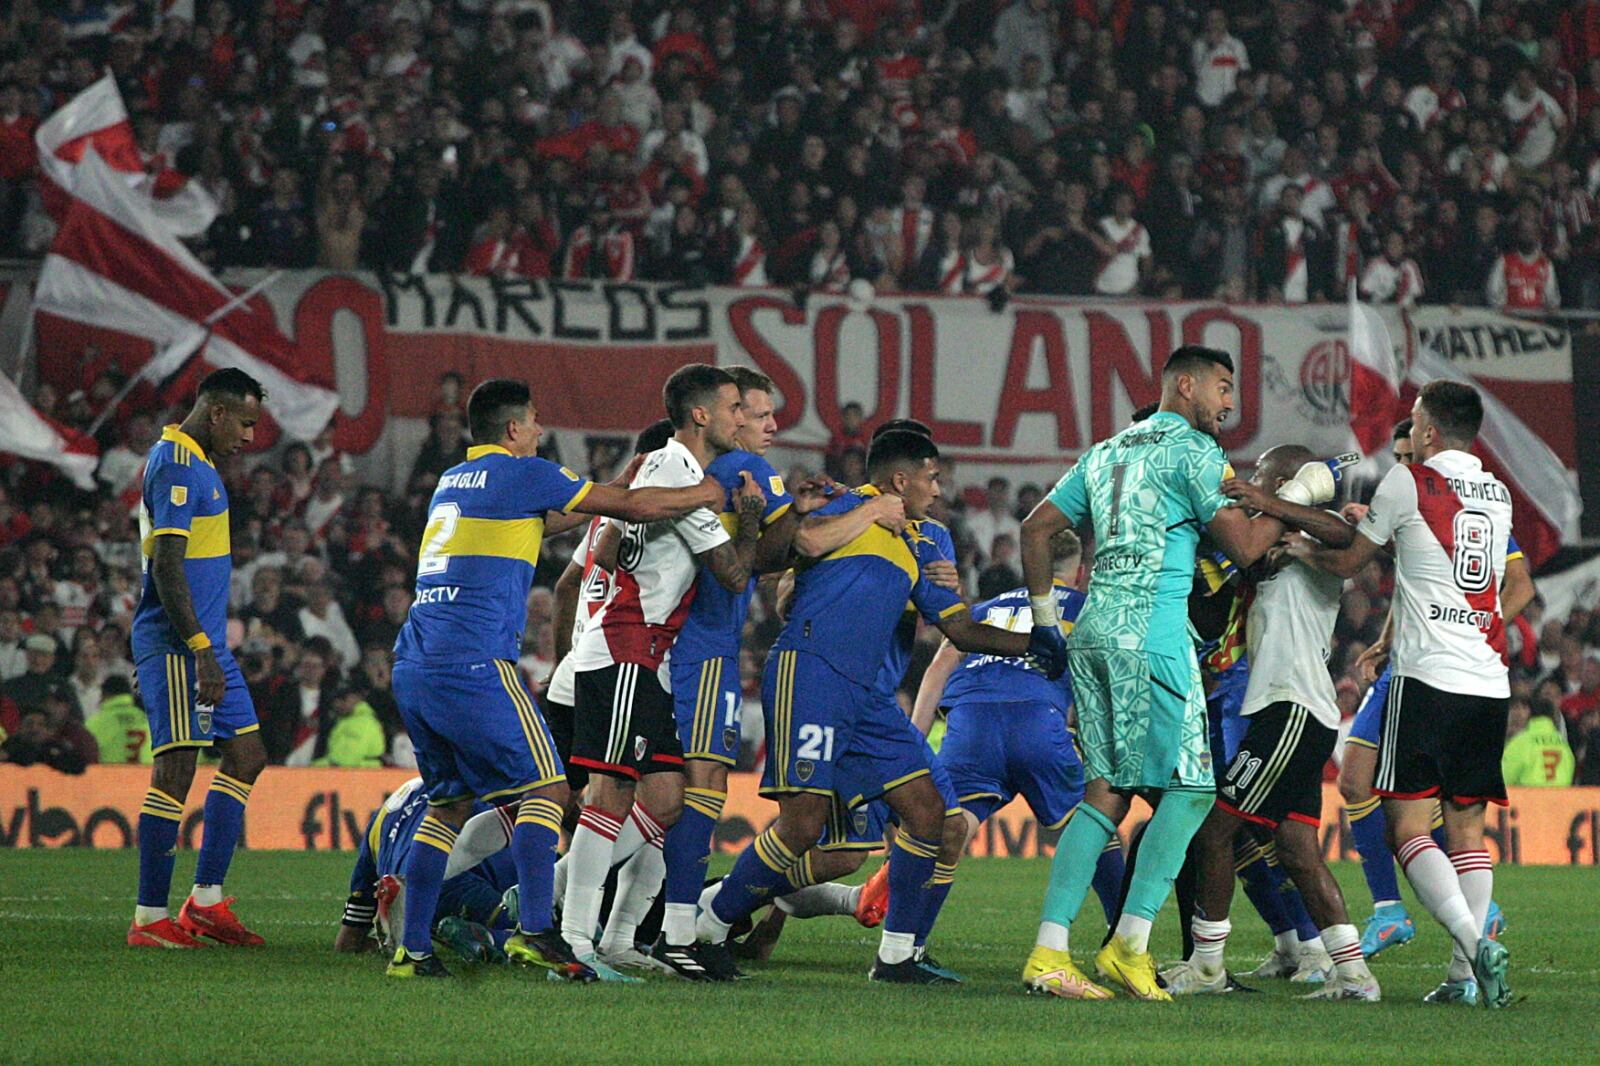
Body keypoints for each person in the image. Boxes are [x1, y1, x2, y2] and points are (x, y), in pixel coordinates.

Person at [1017, 345, 1351, 1000]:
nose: (1229, 404)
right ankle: (1129, 945)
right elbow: (1251, 548)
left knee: (1107, 793)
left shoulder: (1108, 451)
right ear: (1187, 385)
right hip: (1154, 635)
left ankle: (1050, 952)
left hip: (1094, 633)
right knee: (1196, 794)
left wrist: (1041, 620)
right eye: (1223, 389)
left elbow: (1036, 529)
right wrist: (1296, 494)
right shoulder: (1194, 451)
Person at [694, 430, 1068, 984]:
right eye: (932, 477)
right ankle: (708, 923)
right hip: (811, 671)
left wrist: (1039, 644)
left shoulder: (929, 537)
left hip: (868, 695)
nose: (939, 490)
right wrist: (864, 513)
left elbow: (959, 628)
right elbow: (788, 559)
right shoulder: (841, 504)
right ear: (901, 479)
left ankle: (896, 957)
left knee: (928, 813)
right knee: (802, 825)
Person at [386, 377, 722, 980]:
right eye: (535, 421)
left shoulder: (455, 481)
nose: (541, 431)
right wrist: (707, 489)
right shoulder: (525, 471)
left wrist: (617, 484)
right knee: (548, 790)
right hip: (474, 662)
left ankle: (412, 951)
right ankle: (537, 931)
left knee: (448, 806)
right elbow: (640, 509)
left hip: (414, 662)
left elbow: (548, 522)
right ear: (514, 430)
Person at [1289, 380, 1517, 1008]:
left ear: (1432, 433)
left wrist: (1296, 543)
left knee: (1408, 825)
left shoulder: (1408, 479)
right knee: (1469, 831)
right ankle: (1465, 980)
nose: (1410, 434)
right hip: (1488, 678)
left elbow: (1346, 563)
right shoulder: (1497, 494)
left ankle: (1474, 944)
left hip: (1429, 679)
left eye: (1415, 423)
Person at [560, 364, 766, 980]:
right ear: (701, 415)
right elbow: (731, 575)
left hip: (639, 657)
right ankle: (571, 938)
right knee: (610, 794)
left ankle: (619, 936)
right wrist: (751, 518)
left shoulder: (668, 472)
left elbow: (602, 549)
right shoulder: (679, 472)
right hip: (625, 650)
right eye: (733, 407)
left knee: (667, 796)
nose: (740, 416)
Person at [1159, 445, 1379, 1002]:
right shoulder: (1273, 545)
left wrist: (1275, 500)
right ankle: (1354, 974)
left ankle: (1207, 965)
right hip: (1296, 711)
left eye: (1260, 474)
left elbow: (1339, 534)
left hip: (1290, 709)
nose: (1249, 480)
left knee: (1214, 830)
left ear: (1285, 479)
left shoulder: (1318, 539)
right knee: (1297, 851)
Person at [653, 368, 833, 976]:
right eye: (755, 414)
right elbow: (796, 551)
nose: (766, 425)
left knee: (662, 796)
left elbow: (764, 559)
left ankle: (649, 923)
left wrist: (791, 513)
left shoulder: (715, 474)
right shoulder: (736, 470)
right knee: (701, 789)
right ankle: (680, 933)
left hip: (706, 648)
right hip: (700, 649)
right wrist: (811, 515)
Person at [1337, 418, 1532, 958]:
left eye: (1409, 454)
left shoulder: (1468, 506)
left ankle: (1456, 925)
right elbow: (1420, 579)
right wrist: (1385, 637)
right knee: (1356, 780)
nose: (1404, 467)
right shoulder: (1416, 494)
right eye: (1397, 459)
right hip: (1411, 658)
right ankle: (1392, 910)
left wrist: (1480, 626)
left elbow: (1517, 583)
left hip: (1435, 669)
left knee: (1420, 811)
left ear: (1427, 441)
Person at [911, 530, 1127, 938]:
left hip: (970, 727)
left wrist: (913, 745)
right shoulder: (1089, 608)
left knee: (949, 833)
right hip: (1037, 723)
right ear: (1079, 572)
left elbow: (939, 666)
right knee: (1095, 822)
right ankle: (1123, 940)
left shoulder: (986, 608)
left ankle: (907, 944)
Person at [127, 368, 269, 949]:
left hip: (209, 646)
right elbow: (166, 564)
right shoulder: (177, 464)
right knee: (177, 769)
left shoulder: (198, 462)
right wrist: (201, 651)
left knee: (246, 754)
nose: (251, 436)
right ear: (216, 412)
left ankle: (205, 901)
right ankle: (149, 918)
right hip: (180, 644)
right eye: (246, 422)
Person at [335, 778, 518, 963]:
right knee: (536, 936)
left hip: (405, 879)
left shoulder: (390, 807)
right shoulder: (490, 791)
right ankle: (489, 938)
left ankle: (414, 915)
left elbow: (347, 941)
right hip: (451, 877)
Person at [1500, 699, 1575, 787]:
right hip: (1560, 797)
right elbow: (1570, 768)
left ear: (1530, 713)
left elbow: (1505, 776)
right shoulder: (1562, 743)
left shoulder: (1521, 742)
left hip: (1529, 797)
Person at [86, 675, 150, 764]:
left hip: (111, 776)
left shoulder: (97, 722)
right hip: (145, 775)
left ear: (106, 694)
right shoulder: (147, 719)